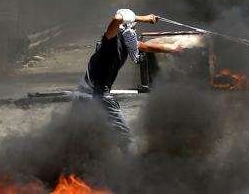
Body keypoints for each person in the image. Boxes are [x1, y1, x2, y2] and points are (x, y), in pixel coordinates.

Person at [75, 9, 182, 151]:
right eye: (134, 27)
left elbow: (149, 47)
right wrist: (143, 18)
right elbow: (117, 19)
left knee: (86, 138)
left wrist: (173, 48)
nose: (135, 32)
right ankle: (132, 170)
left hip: (83, 93)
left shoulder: (125, 41)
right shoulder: (111, 40)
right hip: (97, 95)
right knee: (126, 140)